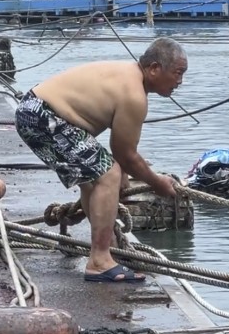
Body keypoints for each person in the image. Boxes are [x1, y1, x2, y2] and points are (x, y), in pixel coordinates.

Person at [15, 38, 185, 283]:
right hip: (42, 115)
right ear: (155, 68)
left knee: (95, 180)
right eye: (177, 73)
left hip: (35, 111)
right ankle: (100, 261)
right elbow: (125, 154)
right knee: (108, 174)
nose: (180, 82)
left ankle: (106, 249)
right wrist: (157, 182)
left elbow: (122, 148)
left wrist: (127, 169)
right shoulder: (134, 94)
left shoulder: (128, 76)